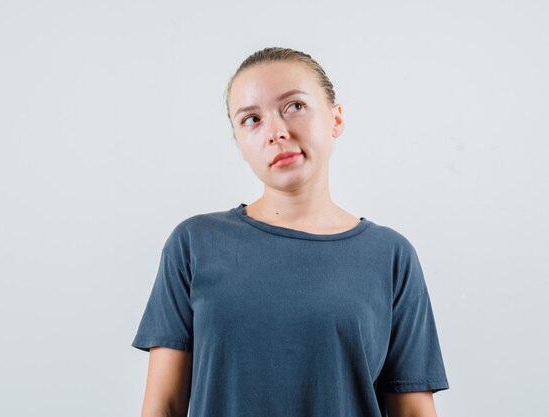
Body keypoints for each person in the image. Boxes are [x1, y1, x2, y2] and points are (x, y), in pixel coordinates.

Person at [131, 46, 450, 417]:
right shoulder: (194, 244)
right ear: (239, 143)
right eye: (251, 119)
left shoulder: (390, 255)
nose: (276, 132)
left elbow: (412, 410)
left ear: (336, 119)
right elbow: (163, 407)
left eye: (294, 106)